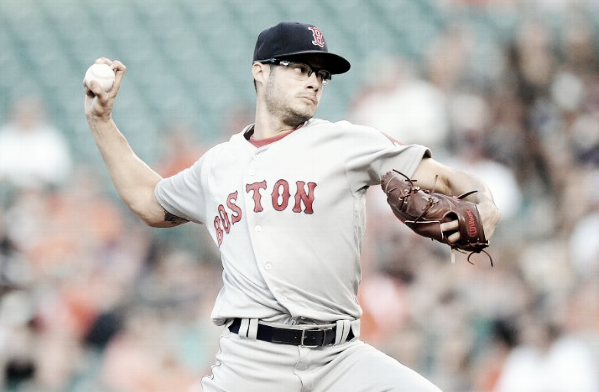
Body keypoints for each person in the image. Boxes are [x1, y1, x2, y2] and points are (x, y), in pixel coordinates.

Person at [83, 21, 500, 392]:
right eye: (301, 69)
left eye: (320, 74)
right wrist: (101, 122)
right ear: (260, 72)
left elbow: (444, 178)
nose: (315, 81)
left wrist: (484, 204)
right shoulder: (216, 166)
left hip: (342, 360)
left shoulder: (346, 142)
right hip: (251, 364)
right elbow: (150, 201)